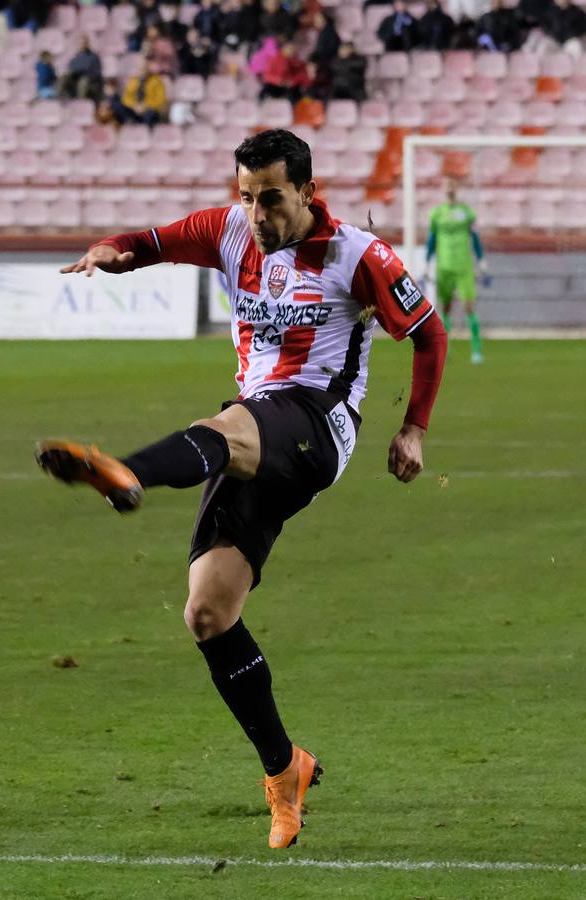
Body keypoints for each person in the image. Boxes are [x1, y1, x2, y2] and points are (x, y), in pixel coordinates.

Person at [37, 129, 447, 850]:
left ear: (308, 193)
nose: (256, 213)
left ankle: (127, 471)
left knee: (225, 427)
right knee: (207, 612)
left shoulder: (358, 256)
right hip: (254, 432)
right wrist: (110, 251)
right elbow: (149, 242)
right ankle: (284, 771)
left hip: (321, 424)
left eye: (272, 198)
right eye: (247, 197)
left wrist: (412, 428)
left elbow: (428, 333)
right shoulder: (230, 230)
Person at [426, 178, 489, 363]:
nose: (450, 189)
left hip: (463, 266)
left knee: (469, 306)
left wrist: (481, 259)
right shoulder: (437, 214)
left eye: (453, 185)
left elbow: (475, 237)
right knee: (445, 307)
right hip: (444, 266)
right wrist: (427, 261)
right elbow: (432, 240)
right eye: (447, 186)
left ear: (457, 189)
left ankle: (476, 350)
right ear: (443, 190)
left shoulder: (466, 213)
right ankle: (446, 349)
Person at [60, 36, 103, 101]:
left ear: (87, 44)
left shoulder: (94, 57)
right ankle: (59, 100)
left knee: (83, 81)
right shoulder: (75, 56)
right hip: (74, 79)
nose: (82, 45)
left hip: (88, 80)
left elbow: (96, 72)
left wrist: (85, 73)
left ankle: (81, 104)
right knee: (63, 77)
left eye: (84, 43)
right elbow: (71, 67)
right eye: (80, 43)